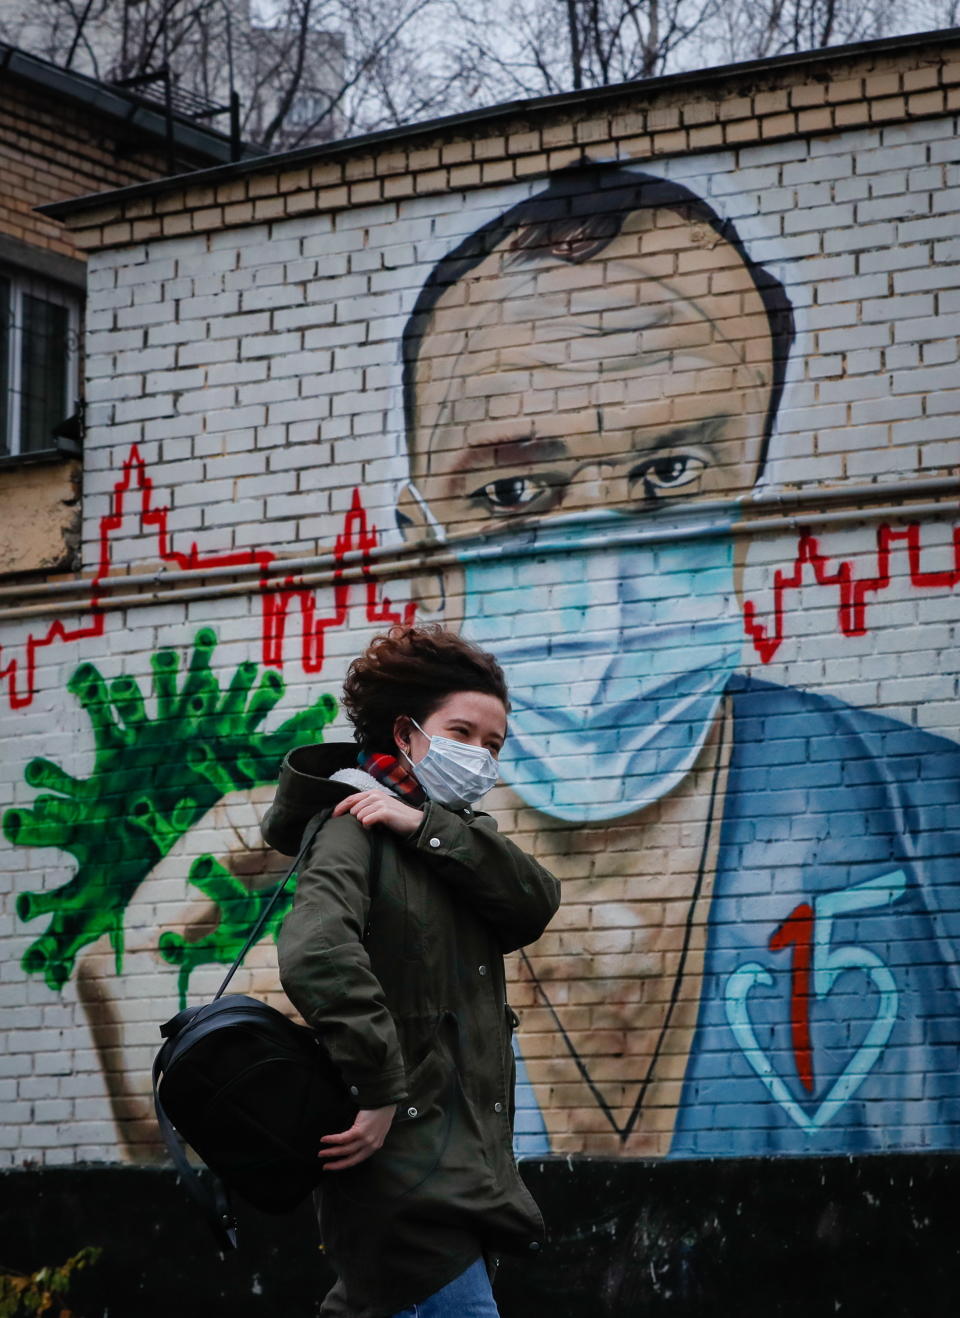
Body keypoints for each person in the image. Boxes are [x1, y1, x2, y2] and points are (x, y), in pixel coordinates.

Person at [395, 163, 960, 1158]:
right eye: (515, 495)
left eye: (671, 472)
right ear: (426, 550)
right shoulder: (338, 876)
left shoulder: (930, 828)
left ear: (757, 508)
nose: (604, 585)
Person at [263, 623, 560, 1318]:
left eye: (494, 744)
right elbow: (315, 951)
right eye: (462, 732)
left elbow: (532, 901)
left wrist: (420, 826)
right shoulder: (348, 824)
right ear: (406, 735)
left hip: (464, 1178)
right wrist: (378, 1088)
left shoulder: (446, 838)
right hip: (406, 1178)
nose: (480, 757)